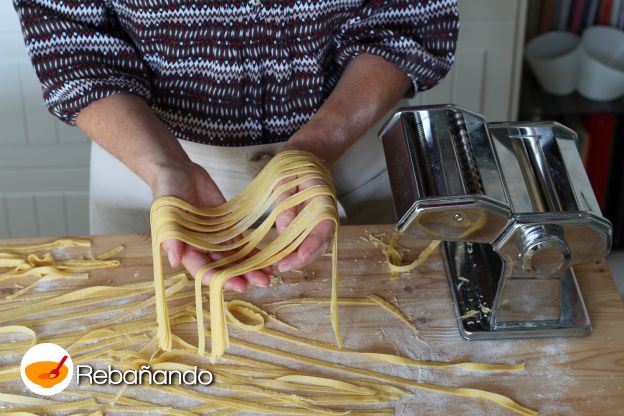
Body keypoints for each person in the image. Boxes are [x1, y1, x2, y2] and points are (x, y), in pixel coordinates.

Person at [14, 0, 459, 291]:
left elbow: (406, 19)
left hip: (343, 157)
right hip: (151, 170)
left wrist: (318, 144)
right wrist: (163, 166)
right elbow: (71, 43)